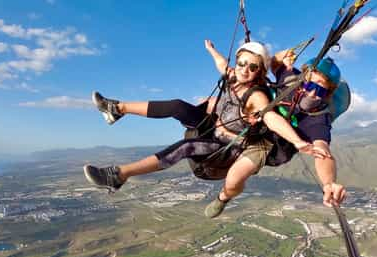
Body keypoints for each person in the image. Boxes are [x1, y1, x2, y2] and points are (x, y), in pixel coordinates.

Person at [84, 40, 328, 218]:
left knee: (186, 147)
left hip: (224, 147)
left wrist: (296, 141)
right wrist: (212, 50)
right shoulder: (234, 76)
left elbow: (272, 118)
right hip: (210, 127)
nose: (244, 69)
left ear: (260, 72)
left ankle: (118, 176)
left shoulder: (257, 96)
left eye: (252, 67)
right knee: (179, 106)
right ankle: (117, 109)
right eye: (242, 63)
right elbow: (223, 65)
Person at [266, 49, 348, 207]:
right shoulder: (290, 80)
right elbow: (275, 63)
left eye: (320, 89)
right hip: (261, 129)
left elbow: (322, 151)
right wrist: (286, 54)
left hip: (276, 149)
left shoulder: (319, 119)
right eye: (310, 84)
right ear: (302, 79)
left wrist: (328, 183)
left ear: (327, 95)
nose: (312, 93)